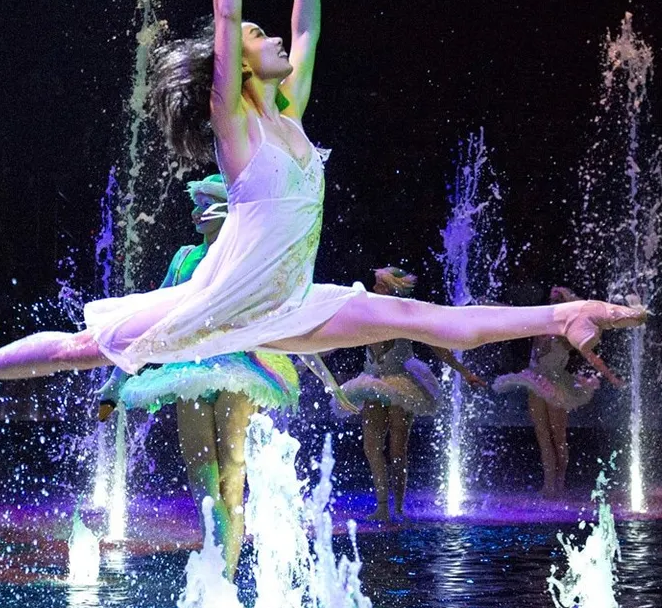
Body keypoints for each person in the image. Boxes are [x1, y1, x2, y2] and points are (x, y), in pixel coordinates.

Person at [0, 0, 645, 406]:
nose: (270, 35)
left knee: (430, 322)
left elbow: (308, 36)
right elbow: (223, 22)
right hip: (224, 297)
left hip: (285, 304)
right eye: (258, 34)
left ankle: (564, 317)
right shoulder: (237, 129)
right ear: (235, 65)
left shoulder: (288, 121)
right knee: (84, 347)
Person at [99, 175, 305, 573]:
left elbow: (279, 313)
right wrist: (116, 380)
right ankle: (216, 567)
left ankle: (225, 577)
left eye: (204, 204)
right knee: (202, 478)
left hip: (235, 370)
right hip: (189, 371)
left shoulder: (248, 259)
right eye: (194, 204)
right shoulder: (184, 259)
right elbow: (149, 321)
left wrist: (324, 375)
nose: (195, 213)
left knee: (231, 474)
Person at [339, 267, 488, 524]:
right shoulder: (366, 314)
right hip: (373, 382)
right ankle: (383, 505)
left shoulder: (404, 317)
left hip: (400, 384)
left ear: (389, 290)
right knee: (371, 446)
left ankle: (397, 506)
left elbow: (437, 346)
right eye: (374, 285)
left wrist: (464, 372)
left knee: (398, 449)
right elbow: (339, 337)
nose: (374, 289)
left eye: (378, 286)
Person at [492, 286, 602, 498]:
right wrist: (491, 307)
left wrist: (610, 376)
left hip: (556, 383)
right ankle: (548, 483)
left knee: (557, 436)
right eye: (550, 300)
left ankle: (559, 483)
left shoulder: (564, 332)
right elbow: (514, 314)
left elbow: (588, 351)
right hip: (536, 380)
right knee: (543, 435)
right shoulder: (539, 325)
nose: (551, 305)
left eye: (556, 300)